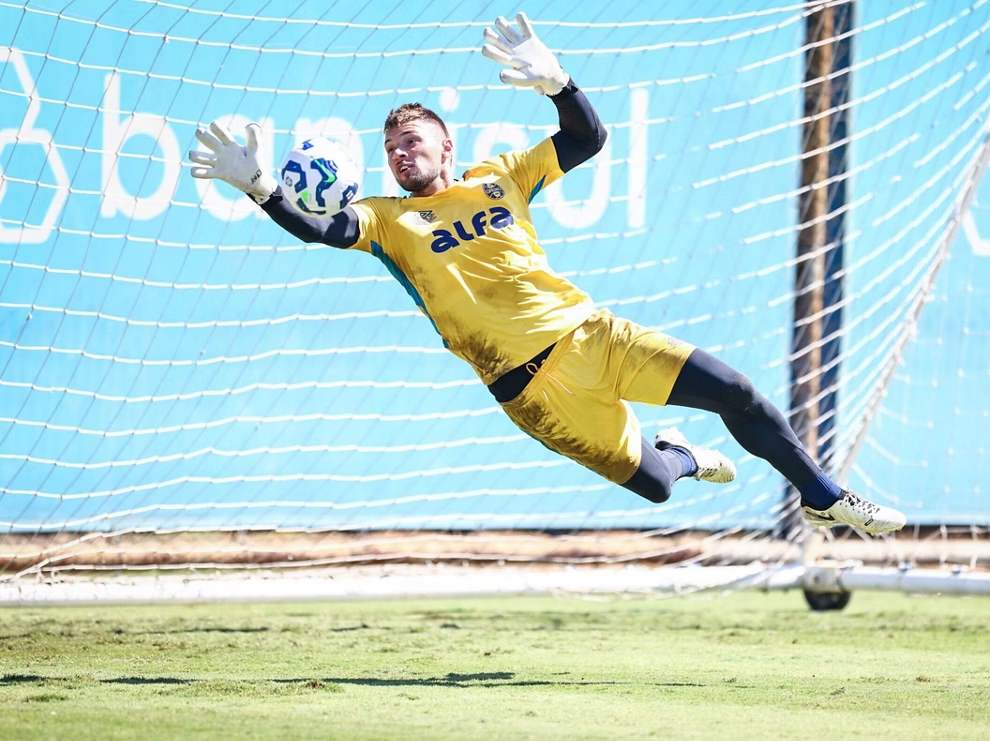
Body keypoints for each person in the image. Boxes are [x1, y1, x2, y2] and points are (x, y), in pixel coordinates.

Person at [188, 13, 905, 535]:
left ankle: (822, 493)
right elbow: (322, 227)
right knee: (656, 485)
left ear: (447, 145)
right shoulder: (385, 222)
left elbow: (586, 138)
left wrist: (560, 83)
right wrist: (262, 191)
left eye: (412, 141)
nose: (401, 154)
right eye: (391, 149)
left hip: (594, 335)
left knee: (739, 392)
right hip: (530, 392)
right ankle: (681, 457)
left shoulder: (500, 175)